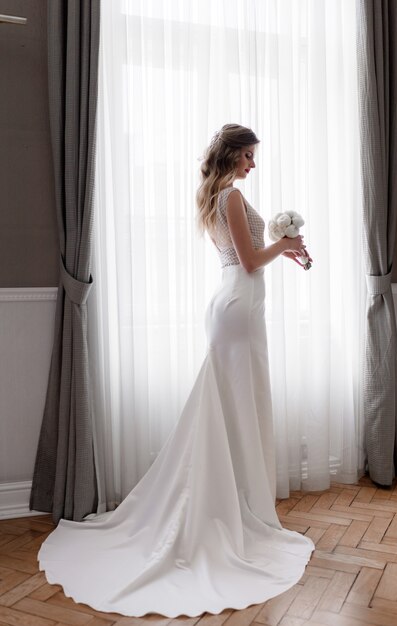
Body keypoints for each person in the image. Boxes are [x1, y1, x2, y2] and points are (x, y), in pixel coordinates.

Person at [37, 123, 315, 619]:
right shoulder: (229, 197)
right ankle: (223, 509)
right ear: (231, 156)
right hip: (236, 309)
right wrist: (286, 245)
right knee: (231, 404)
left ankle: (234, 500)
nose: (253, 164)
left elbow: (247, 254)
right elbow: (250, 261)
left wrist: (283, 243)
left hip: (237, 309)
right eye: (249, 156)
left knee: (234, 406)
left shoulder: (222, 197)